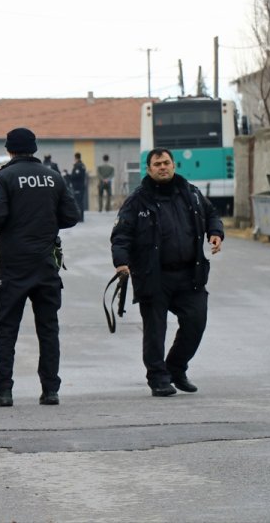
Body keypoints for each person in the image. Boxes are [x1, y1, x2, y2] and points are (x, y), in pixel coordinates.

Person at [110, 148, 224, 397]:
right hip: (153, 275)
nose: (163, 167)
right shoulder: (137, 200)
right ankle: (158, 377)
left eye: (166, 163)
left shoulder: (191, 194)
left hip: (189, 274)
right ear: (149, 169)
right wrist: (121, 262)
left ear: (173, 165)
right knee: (155, 330)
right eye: (157, 164)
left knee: (196, 322)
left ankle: (175, 368)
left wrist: (215, 232)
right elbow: (121, 235)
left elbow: (211, 214)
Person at [0, 128, 80, 407]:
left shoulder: (2, 177)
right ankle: (50, 390)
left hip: (14, 266)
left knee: (7, 330)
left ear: (8, 149)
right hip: (47, 264)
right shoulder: (54, 177)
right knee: (48, 329)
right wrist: (45, 222)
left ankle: (4, 391)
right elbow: (71, 216)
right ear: (34, 148)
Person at [65, 152, 87, 221]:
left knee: (78, 202)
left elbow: (75, 176)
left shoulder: (78, 166)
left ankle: (80, 218)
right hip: (80, 186)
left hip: (78, 187)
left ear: (76, 158)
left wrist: (67, 175)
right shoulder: (82, 165)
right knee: (80, 202)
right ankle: (80, 217)